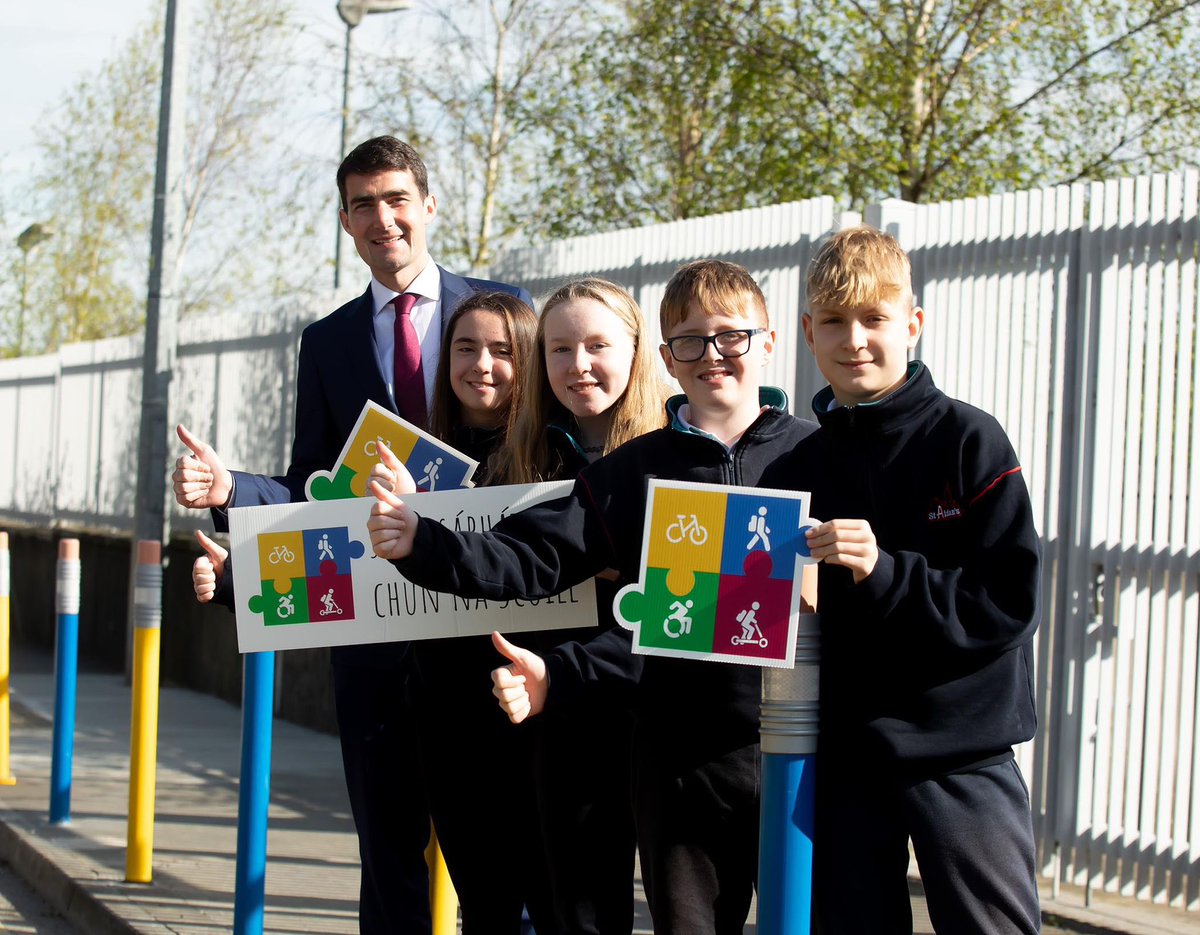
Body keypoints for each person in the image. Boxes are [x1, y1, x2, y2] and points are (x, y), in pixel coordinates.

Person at [367, 259, 818, 934]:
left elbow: (890, 581)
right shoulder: (631, 472)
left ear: (770, 342)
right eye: (692, 341)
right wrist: (420, 540)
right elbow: (528, 553)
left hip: (797, 745)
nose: (713, 354)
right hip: (673, 751)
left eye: (731, 336)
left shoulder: (815, 458)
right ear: (668, 356)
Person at [172, 135, 532, 934]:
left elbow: (547, 458)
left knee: (502, 871)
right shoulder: (327, 342)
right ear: (345, 220)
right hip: (376, 639)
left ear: (429, 206)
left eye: (398, 198)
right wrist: (234, 491)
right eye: (364, 204)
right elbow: (314, 488)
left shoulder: (505, 312)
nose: (384, 218)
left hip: (485, 633)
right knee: (390, 863)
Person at [795, 226, 1041, 933]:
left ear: (914, 324)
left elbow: (1007, 603)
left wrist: (885, 573)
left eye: (874, 319)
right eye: (836, 322)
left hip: (963, 751)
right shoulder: (797, 472)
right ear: (809, 332)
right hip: (843, 757)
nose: (856, 340)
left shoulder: (970, 440)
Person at [397, 290, 558, 933]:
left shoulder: (557, 457)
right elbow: (338, 546)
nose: (482, 365)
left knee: (546, 900)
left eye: (503, 350)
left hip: (533, 708)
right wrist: (237, 570)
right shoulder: (410, 458)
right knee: (483, 902)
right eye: (466, 347)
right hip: (445, 712)